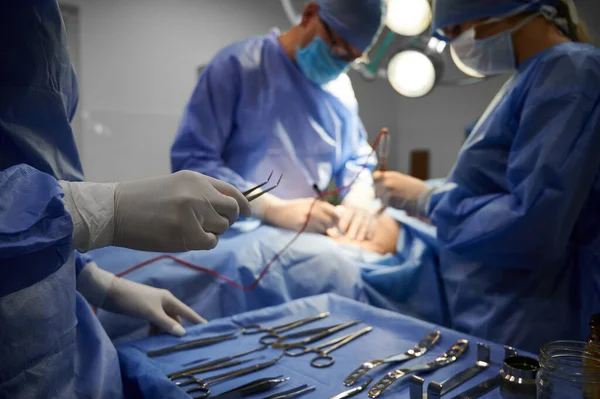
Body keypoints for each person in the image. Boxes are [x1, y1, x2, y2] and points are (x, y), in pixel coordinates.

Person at [0, 1, 251, 397]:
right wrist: (98, 210)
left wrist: (101, 284)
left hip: (62, 346)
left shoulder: (35, 19)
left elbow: (37, 161)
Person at [375, 0, 600, 352]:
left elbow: (534, 224)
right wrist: (428, 194)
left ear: (499, 10)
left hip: (528, 314)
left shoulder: (571, 71)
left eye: (455, 33)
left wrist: (428, 200)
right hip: (496, 305)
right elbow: (493, 185)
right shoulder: (531, 77)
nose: (457, 47)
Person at [171, 0, 386, 241]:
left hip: (301, 235)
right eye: (335, 46)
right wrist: (268, 208)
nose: (338, 62)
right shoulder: (239, 65)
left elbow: (355, 159)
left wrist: (358, 200)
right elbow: (193, 161)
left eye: (351, 58)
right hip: (230, 234)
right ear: (309, 15)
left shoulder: (340, 92)